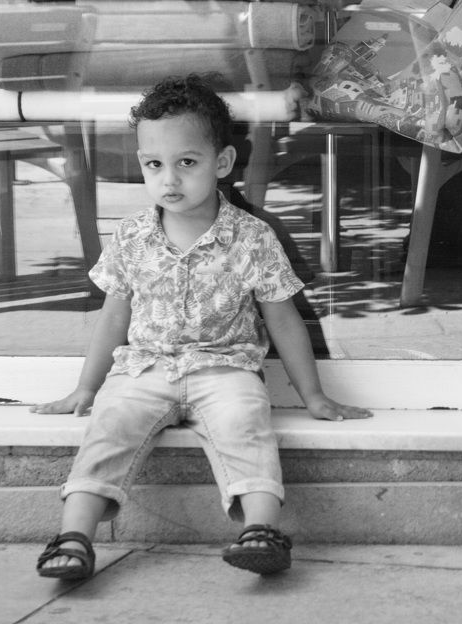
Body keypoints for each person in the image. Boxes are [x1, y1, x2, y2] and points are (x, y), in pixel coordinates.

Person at [31, 74, 372, 580]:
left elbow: (283, 319)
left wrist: (314, 395)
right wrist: (86, 387)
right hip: (144, 369)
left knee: (246, 424)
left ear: (223, 163)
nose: (169, 180)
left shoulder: (252, 237)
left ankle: (262, 531)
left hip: (225, 369)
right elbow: (114, 315)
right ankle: (73, 537)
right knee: (109, 424)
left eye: (186, 163)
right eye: (154, 164)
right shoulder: (131, 236)